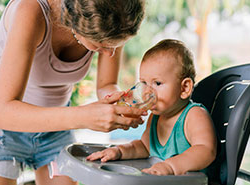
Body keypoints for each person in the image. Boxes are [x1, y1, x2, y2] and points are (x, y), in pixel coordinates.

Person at [0, 0, 146, 184]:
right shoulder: (31, 11)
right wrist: (85, 117)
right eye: (101, 45)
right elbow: (2, 113)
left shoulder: (114, 16)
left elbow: (106, 84)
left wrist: (118, 105)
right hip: (0, 128)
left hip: (56, 126)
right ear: (77, 21)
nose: (109, 53)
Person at [87, 39, 217, 176]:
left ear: (184, 88)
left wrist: (170, 167)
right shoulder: (156, 117)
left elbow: (206, 150)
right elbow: (143, 147)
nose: (147, 91)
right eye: (143, 82)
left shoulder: (194, 115)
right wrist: (119, 151)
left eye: (157, 83)